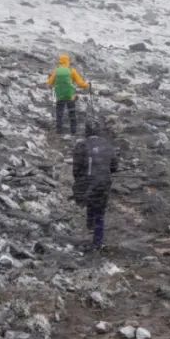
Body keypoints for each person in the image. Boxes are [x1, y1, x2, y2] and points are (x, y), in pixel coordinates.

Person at [72, 120, 119, 251]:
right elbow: (114, 166)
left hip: (87, 182)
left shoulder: (81, 146)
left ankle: (90, 222)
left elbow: (76, 169)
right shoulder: (108, 146)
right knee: (100, 212)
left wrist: (79, 181)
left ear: (86, 132)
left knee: (90, 199)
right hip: (103, 183)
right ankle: (98, 241)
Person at [47, 54, 90, 134]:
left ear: (60, 61)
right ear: (68, 61)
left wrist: (50, 79)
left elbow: (49, 83)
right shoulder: (71, 70)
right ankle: (73, 131)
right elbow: (80, 83)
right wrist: (87, 85)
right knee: (72, 112)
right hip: (70, 95)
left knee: (59, 113)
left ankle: (59, 131)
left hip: (59, 95)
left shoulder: (56, 71)